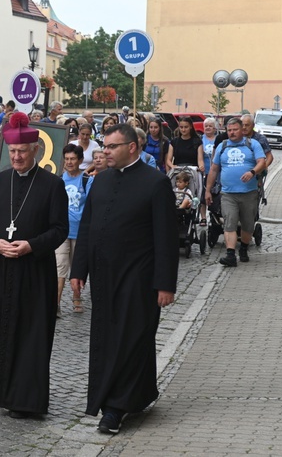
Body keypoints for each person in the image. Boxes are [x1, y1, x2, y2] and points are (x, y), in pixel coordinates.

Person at [69, 123, 178, 434]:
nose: (105, 151)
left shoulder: (155, 183)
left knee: (131, 339)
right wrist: (79, 270)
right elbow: (87, 228)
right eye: (104, 146)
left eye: (112, 147)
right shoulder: (100, 181)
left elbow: (166, 238)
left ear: (132, 147)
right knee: (106, 339)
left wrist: (165, 284)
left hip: (139, 278)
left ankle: (115, 408)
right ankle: (138, 394)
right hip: (104, 277)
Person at [0, 111, 68, 419]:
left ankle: (26, 400)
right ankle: (9, 385)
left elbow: (59, 229)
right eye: (12, 151)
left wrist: (31, 246)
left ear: (35, 151)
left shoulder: (53, 185)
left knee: (31, 335)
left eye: (21, 152)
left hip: (34, 273)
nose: (16, 156)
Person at [205, 118, 266, 266]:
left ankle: (243, 248)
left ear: (242, 130)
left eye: (235, 129)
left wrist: (252, 172)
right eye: (229, 130)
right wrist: (207, 190)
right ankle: (230, 255)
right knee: (229, 223)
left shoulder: (253, 144)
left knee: (247, 226)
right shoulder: (222, 146)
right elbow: (214, 169)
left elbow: (262, 162)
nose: (232, 133)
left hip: (249, 193)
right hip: (228, 194)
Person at [57, 143, 93, 317]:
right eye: (67, 159)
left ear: (80, 160)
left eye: (72, 159)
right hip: (62, 231)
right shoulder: (58, 180)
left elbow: (92, 205)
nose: (69, 162)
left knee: (76, 267)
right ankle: (55, 303)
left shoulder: (87, 180)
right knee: (60, 267)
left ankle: (77, 296)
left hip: (80, 231)